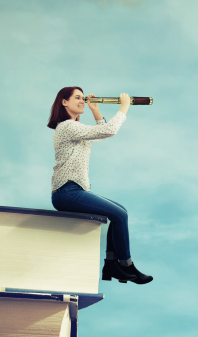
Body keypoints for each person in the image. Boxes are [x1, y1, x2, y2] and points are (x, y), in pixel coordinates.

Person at [47, 86, 152, 285]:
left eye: (83, 98)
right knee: (120, 216)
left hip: (74, 190)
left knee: (120, 212)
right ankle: (126, 266)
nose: (81, 101)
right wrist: (124, 107)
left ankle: (112, 264)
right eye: (77, 98)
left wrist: (95, 110)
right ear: (64, 102)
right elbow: (109, 130)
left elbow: (101, 134)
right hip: (67, 191)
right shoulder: (67, 126)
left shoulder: (75, 129)